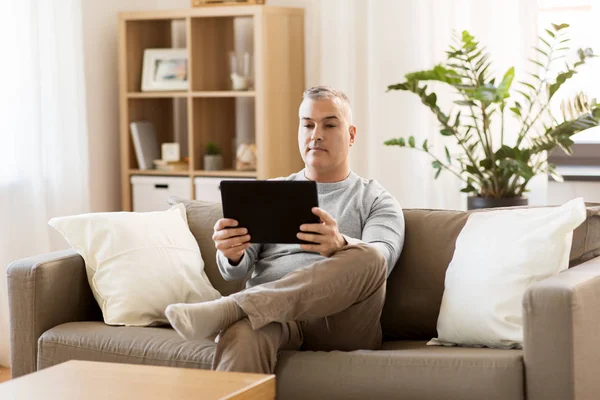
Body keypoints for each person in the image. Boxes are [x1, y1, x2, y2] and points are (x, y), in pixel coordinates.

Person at [166, 85, 405, 373]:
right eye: (308, 125)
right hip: (275, 320)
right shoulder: (271, 193)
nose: (316, 134)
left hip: (341, 321)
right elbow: (236, 271)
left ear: (351, 135)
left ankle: (235, 307)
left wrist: (340, 245)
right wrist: (231, 254)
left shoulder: (376, 199)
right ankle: (245, 311)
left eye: (330, 125)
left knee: (369, 255)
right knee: (242, 333)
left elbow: (383, 260)